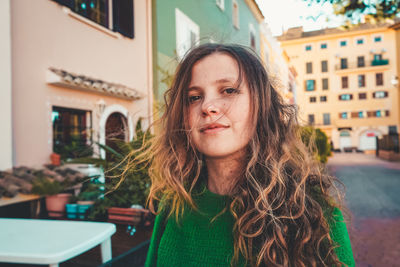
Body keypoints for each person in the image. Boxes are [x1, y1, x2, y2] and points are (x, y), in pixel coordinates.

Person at [142, 43, 355, 266]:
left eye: (228, 90)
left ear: (261, 105)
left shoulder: (313, 210)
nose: (207, 106)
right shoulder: (173, 202)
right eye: (194, 97)